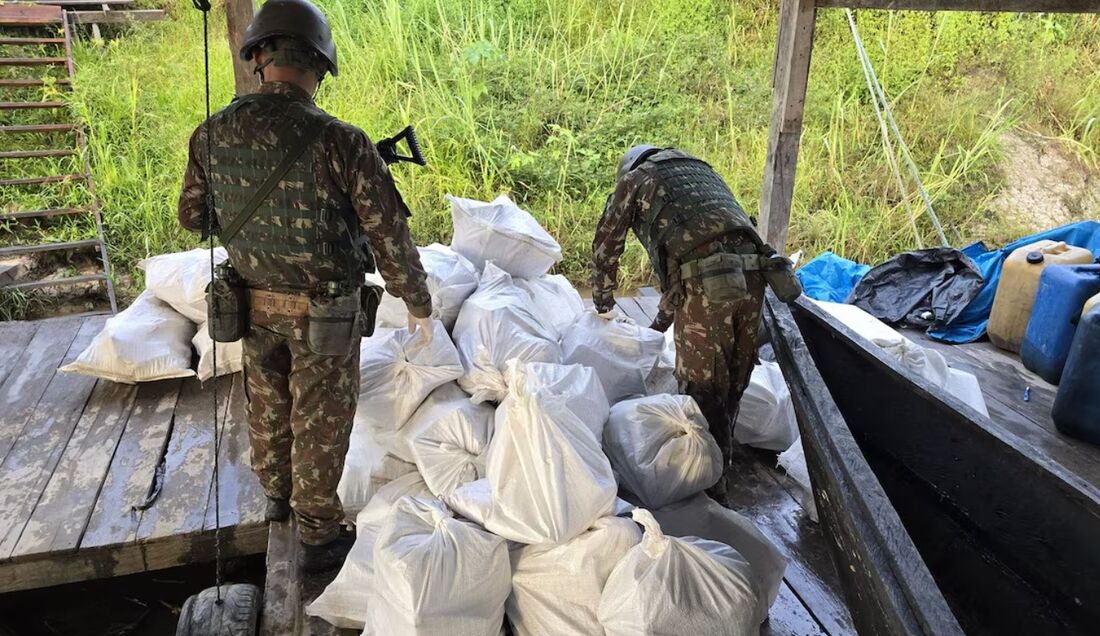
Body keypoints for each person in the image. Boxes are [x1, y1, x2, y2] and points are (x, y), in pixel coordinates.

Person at [177, 0, 433, 571]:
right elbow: (388, 235)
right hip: (324, 316)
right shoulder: (342, 141)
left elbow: (193, 217)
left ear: (258, 57)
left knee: (267, 402)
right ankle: (318, 535)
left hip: (249, 304)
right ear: (319, 64)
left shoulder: (212, 132)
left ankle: (276, 497)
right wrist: (418, 302)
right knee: (320, 419)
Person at [590, 145, 798, 487]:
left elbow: (606, 247)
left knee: (702, 387)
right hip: (755, 277)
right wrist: (657, 328)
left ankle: (707, 481)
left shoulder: (636, 180)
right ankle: (721, 462)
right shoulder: (699, 172)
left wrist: (602, 305)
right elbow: (684, 272)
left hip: (710, 285)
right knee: (735, 378)